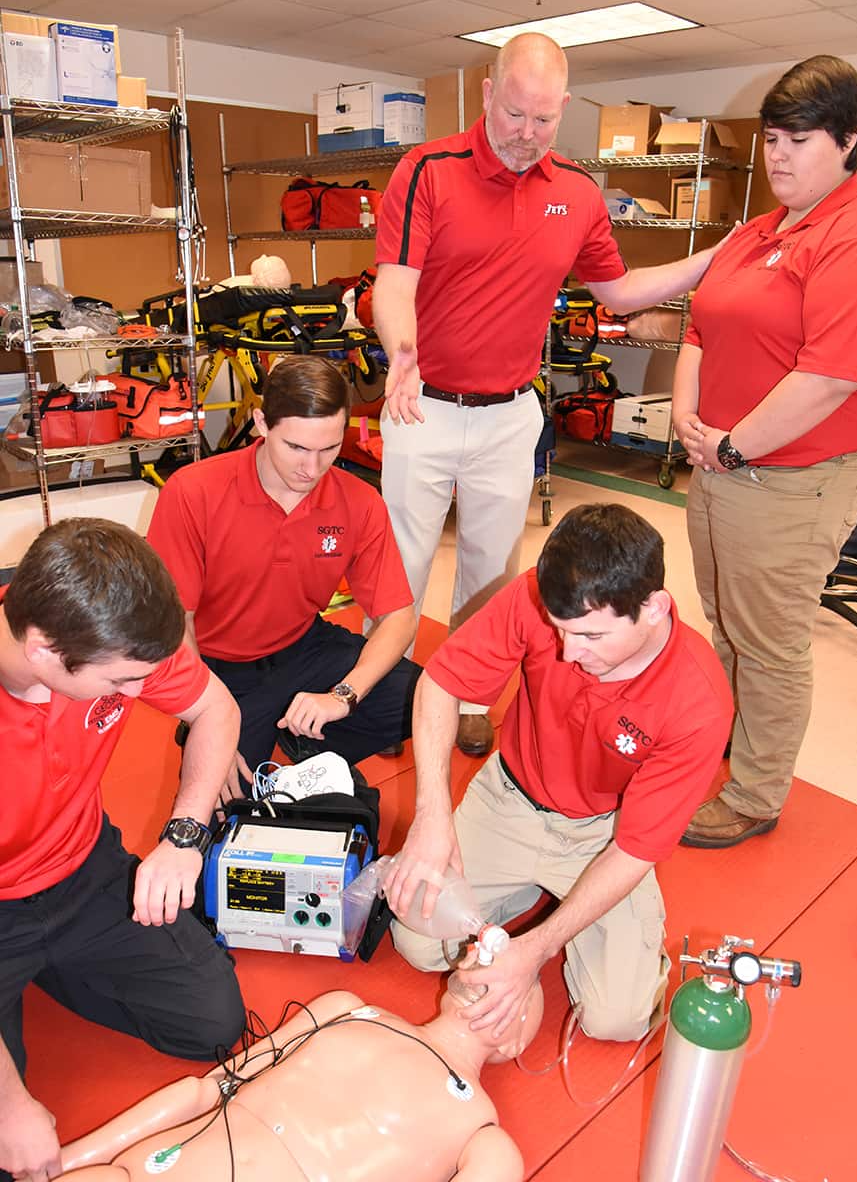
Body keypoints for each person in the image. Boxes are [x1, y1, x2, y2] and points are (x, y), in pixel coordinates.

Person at [373, 31, 731, 759]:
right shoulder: (427, 170)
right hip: (424, 404)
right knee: (402, 566)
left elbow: (620, 290)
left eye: (544, 120)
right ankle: (389, 695)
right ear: (486, 93)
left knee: (491, 568)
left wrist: (711, 259)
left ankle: (469, 695)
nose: (526, 135)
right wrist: (401, 354)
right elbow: (395, 283)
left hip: (509, 414)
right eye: (513, 114)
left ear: (563, 109)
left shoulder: (575, 190)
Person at [384, 504, 733, 1043]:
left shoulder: (698, 702)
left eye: (592, 636)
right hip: (511, 798)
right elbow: (443, 683)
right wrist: (433, 819)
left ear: (655, 608)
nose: (569, 651)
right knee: (420, 945)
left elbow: (635, 850)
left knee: (616, 1022)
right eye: (560, 630)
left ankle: (571, 917)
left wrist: (535, 950)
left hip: (603, 835)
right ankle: (527, 893)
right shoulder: (543, 595)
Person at [672, 55, 857, 850]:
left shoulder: (854, 237)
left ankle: (756, 794)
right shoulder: (761, 231)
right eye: (771, 139)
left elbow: (829, 377)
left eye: (800, 139)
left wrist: (731, 444)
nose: (780, 155)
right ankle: (730, 740)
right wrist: (690, 421)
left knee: (771, 639)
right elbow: (700, 325)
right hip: (724, 461)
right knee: (727, 622)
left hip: (794, 475)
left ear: (848, 141)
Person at [0, 519, 245, 1182]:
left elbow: (216, 711)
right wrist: (10, 1103)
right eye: (122, 683)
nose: (140, 695)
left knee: (215, 1026)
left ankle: (48, 967)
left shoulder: (112, 638)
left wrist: (183, 837)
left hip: (83, 870)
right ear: (44, 651)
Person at [147, 356, 421, 795]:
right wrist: (203, 713)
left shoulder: (360, 501)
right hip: (219, 671)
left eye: (328, 449)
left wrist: (343, 696)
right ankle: (261, 736)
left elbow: (399, 616)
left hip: (303, 647)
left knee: (424, 700)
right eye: (295, 447)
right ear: (261, 423)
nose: (311, 470)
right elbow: (174, 624)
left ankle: (307, 741)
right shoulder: (193, 491)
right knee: (220, 813)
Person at [58, 972, 544, 1182]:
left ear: (515, 1042)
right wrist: (66, 1160)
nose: (495, 969)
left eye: (516, 984)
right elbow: (208, 1087)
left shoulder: (484, 1134)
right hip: (154, 1168)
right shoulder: (346, 1008)